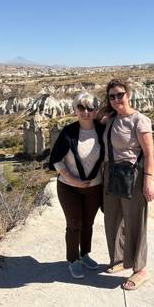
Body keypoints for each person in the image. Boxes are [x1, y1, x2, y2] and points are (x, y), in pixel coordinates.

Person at [101, 79, 154, 290]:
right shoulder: (112, 118)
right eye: (112, 96)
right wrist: (107, 115)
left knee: (134, 222)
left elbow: (150, 153)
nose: (116, 99)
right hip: (111, 173)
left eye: (120, 95)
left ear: (128, 95)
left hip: (132, 176)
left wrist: (148, 183)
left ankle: (140, 269)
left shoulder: (139, 120)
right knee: (112, 219)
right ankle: (121, 259)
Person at [48, 92, 105, 279]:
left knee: (88, 223)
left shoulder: (102, 131)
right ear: (75, 110)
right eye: (81, 108)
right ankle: (73, 260)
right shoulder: (68, 132)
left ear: (96, 111)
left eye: (90, 108)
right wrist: (72, 179)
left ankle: (84, 254)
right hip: (68, 187)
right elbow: (56, 160)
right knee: (74, 224)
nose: (86, 112)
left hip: (94, 187)